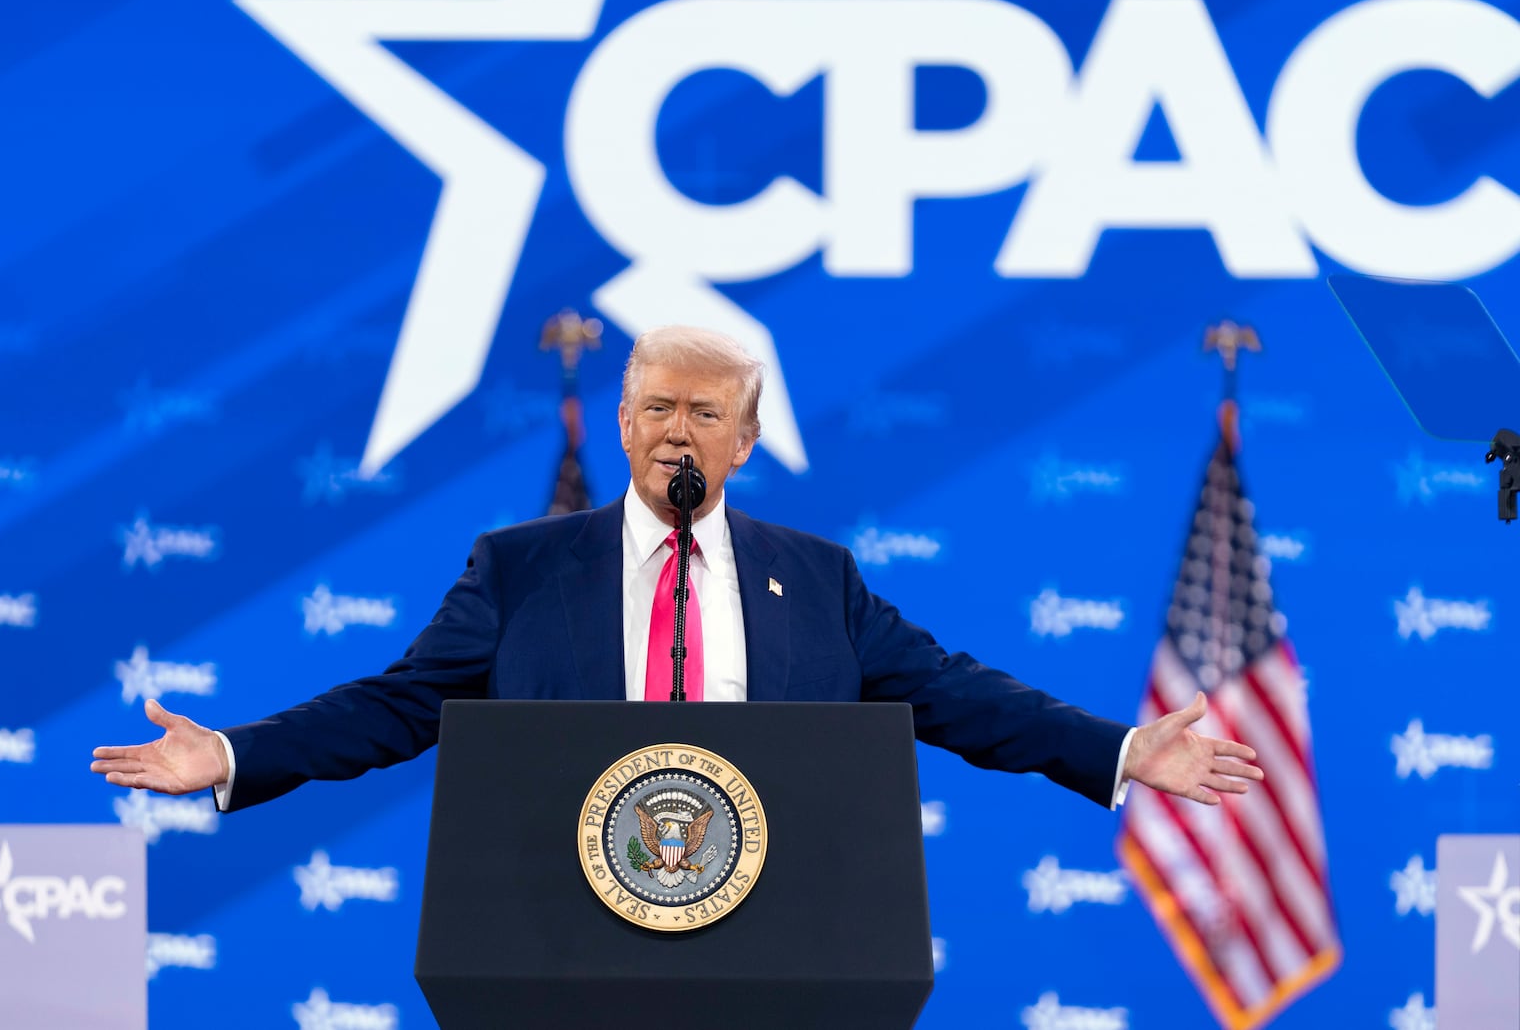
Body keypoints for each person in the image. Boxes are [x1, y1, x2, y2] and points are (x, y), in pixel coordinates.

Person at [93, 326, 1261, 813]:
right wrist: (233, 751)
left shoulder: (818, 579)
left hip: (781, 931)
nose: (675, 430)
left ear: (742, 441)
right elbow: (401, 704)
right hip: (560, 931)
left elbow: (956, 696)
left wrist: (1121, 746)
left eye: (704, 412)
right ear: (620, 418)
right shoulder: (521, 567)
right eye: (654, 406)